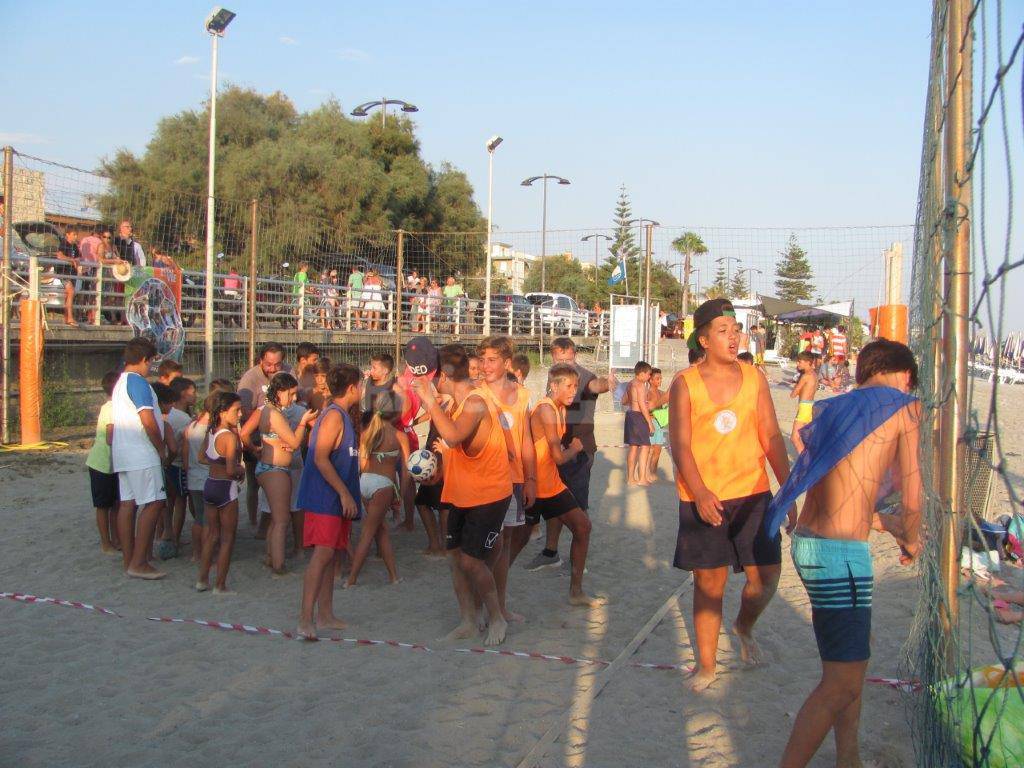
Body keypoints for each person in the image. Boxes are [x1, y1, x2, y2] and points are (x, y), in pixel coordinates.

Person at [771, 340, 922, 768]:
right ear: (905, 375)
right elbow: (913, 499)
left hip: (809, 544)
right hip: (840, 555)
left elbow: (854, 497)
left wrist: (888, 525)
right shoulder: (904, 408)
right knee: (840, 683)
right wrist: (910, 539)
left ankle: (849, 759)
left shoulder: (835, 408)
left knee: (851, 663)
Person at [669, 298, 793, 692]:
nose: (733, 336)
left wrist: (788, 490)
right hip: (703, 497)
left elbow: (771, 435)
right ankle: (706, 666)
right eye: (723, 330)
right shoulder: (684, 383)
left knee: (767, 578)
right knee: (710, 585)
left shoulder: (754, 377)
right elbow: (680, 444)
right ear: (703, 339)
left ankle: (743, 626)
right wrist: (701, 492)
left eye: (735, 328)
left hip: (752, 492)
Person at [412, 345, 512, 646]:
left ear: (442, 376)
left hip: (489, 494)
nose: (427, 383)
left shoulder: (475, 403)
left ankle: (496, 617)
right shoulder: (455, 404)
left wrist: (430, 402)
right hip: (461, 493)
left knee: (471, 562)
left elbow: (454, 437)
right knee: (454, 558)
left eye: (431, 377)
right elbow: (455, 455)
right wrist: (435, 474)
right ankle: (469, 620)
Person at [525, 337, 615, 571]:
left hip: (578, 449)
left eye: (569, 358)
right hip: (558, 450)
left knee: (576, 504)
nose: (565, 362)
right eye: (559, 358)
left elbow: (595, 386)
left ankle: (577, 560)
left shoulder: (582, 376)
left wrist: (608, 383)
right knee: (556, 503)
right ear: (553, 358)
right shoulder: (554, 376)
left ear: (575, 355)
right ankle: (551, 552)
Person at [518, 363, 601, 606]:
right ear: (554, 386)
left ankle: (575, 591)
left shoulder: (559, 408)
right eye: (569, 386)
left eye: (576, 386)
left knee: (583, 527)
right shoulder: (547, 409)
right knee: (514, 542)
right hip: (537, 484)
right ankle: (489, 587)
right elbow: (556, 456)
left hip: (550, 483)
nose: (573, 391)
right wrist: (574, 449)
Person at [296, 363, 363, 641]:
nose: (362, 390)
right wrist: (345, 493)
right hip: (325, 497)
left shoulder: (342, 416)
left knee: (331, 556)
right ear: (351, 388)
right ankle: (305, 619)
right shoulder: (333, 416)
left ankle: (325, 614)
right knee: (321, 555)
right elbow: (321, 459)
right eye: (360, 385)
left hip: (337, 497)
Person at [476, 336, 537, 623]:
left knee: (507, 541)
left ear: (507, 362)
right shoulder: (476, 394)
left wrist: (531, 478)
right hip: (486, 478)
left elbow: (526, 439)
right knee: (492, 543)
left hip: (514, 480)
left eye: (492, 360)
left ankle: (499, 605)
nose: (485, 365)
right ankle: (482, 608)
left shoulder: (522, 394)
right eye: (482, 359)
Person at [112, 337, 168, 580]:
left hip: (124, 451)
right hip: (142, 452)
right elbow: (147, 420)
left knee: (128, 504)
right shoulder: (138, 382)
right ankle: (139, 561)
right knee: (154, 502)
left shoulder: (120, 382)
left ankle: (129, 559)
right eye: (151, 362)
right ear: (145, 360)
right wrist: (161, 447)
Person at [346, 391, 413, 586]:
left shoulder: (368, 432)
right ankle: (351, 578)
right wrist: (399, 494)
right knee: (368, 534)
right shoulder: (399, 435)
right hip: (383, 485)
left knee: (380, 530)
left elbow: (362, 464)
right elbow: (406, 470)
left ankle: (393, 575)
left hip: (365, 483)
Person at [254, 372, 318, 575]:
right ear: (279, 391)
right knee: (282, 520)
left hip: (270, 468)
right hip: (275, 470)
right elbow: (294, 442)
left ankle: (271, 558)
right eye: (290, 394)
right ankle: (278, 566)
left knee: (276, 519)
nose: (294, 399)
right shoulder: (274, 413)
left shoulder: (268, 410)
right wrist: (302, 422)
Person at [196, 391, 245, 594]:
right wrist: (241, 470)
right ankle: (220, 585)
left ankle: (202, 579)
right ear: (224, 412)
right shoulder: (229, 437)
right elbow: (232, 470)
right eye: (236, 410)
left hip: (210, 484)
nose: (240, 414)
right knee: (227, 538)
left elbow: (201, 457)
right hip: (226, 488)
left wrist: (217, 462)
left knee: (211, 535)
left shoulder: (211, 431)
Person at [237, 342, 289, 528]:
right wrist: (270, 419)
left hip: (282, 439)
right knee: (253, 483)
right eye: (269, 364)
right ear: (261, 361)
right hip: (256, 438)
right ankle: (252, 520)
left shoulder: (287, 373)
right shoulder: (250, 379)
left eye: (277, 365)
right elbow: (245, 411)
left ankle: (271, 522)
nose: (273, 369)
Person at [183, 379, 233, 563]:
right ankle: (208, 554)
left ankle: (197, 553)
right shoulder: (212, 431)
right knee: (210, 522)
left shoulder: (192, 426)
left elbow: (187, 457)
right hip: (210, 479)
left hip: (194, 479)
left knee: (198, 519)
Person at [86, 370, 122, 554]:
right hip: (101, 463)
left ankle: (116, 539)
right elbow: (110, 437)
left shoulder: (115, 407)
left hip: (114, 463)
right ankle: (105, 542)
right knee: (103, 506)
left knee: (117, 503)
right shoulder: (111, 408)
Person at [163, 377, 196, 552]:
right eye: (193, 392)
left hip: (171, 464)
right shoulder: (183, 419)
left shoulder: (173, 415)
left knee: (170, 501)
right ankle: (174, 538)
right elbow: (179, 447)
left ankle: (168, 535)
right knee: (180, 503)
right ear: (183, 394)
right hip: (178, 465)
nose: (195, 395)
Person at [624, 361, 655, 486]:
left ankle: (630, 478)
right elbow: (642, 405)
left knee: (633, 447)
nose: (649, 377)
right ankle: (642, 478)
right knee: (645, 446)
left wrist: (634, 401)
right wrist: (650, 423)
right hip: (638, 416)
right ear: (642, 373)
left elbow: (623, 400)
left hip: (630, 414)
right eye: (648, 374)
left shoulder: (630, 384)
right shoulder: (641, 385)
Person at [790, 351, 818, 453]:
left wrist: (794, 387)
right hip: (811, 406)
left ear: (807, 362)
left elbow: (793, 394)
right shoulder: (814, 374)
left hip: (804, 407)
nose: (798, 364)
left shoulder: (806, 375)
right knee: (806, 439)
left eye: (800, 362)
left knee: (795, 438)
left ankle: (805, 463)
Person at [647, 367, 670, 480]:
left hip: (660, 424)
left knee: (658, 450)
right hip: (650, 423)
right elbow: (645, 409)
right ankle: (647, 473)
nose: (660, 381)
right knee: (649, 450)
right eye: (657, 379)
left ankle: (653, 473)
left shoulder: (662, 393)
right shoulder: (648, 394)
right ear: (650, 380)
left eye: (660, 379)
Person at [361, 352, 396, 417]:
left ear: (385, 371)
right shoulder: (370, 380)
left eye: (374, 368)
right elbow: (362, 393)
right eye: (371, 367)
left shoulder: (391, 388)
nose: (371, 370)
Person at [347, 264, 365, 329]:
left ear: (353, 270)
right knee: (359, 310)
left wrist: (347, 292)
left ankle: (359, 324)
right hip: (362, 294)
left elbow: (349, 285)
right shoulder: (362, 274)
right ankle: (357, 324)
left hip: (355, 294)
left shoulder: (352, 276)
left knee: (355, 310)